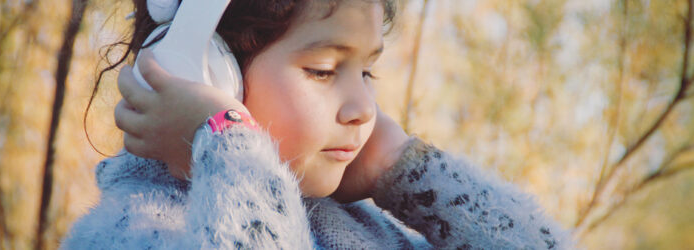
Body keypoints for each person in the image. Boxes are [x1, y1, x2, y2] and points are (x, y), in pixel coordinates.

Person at [62, 0, 573, 249]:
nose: (364, 107)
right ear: (205, 71)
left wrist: (410, 174)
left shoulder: (365, 227)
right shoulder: (132, 231)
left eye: (367, 70)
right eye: (324, 70)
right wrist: (229, 145)